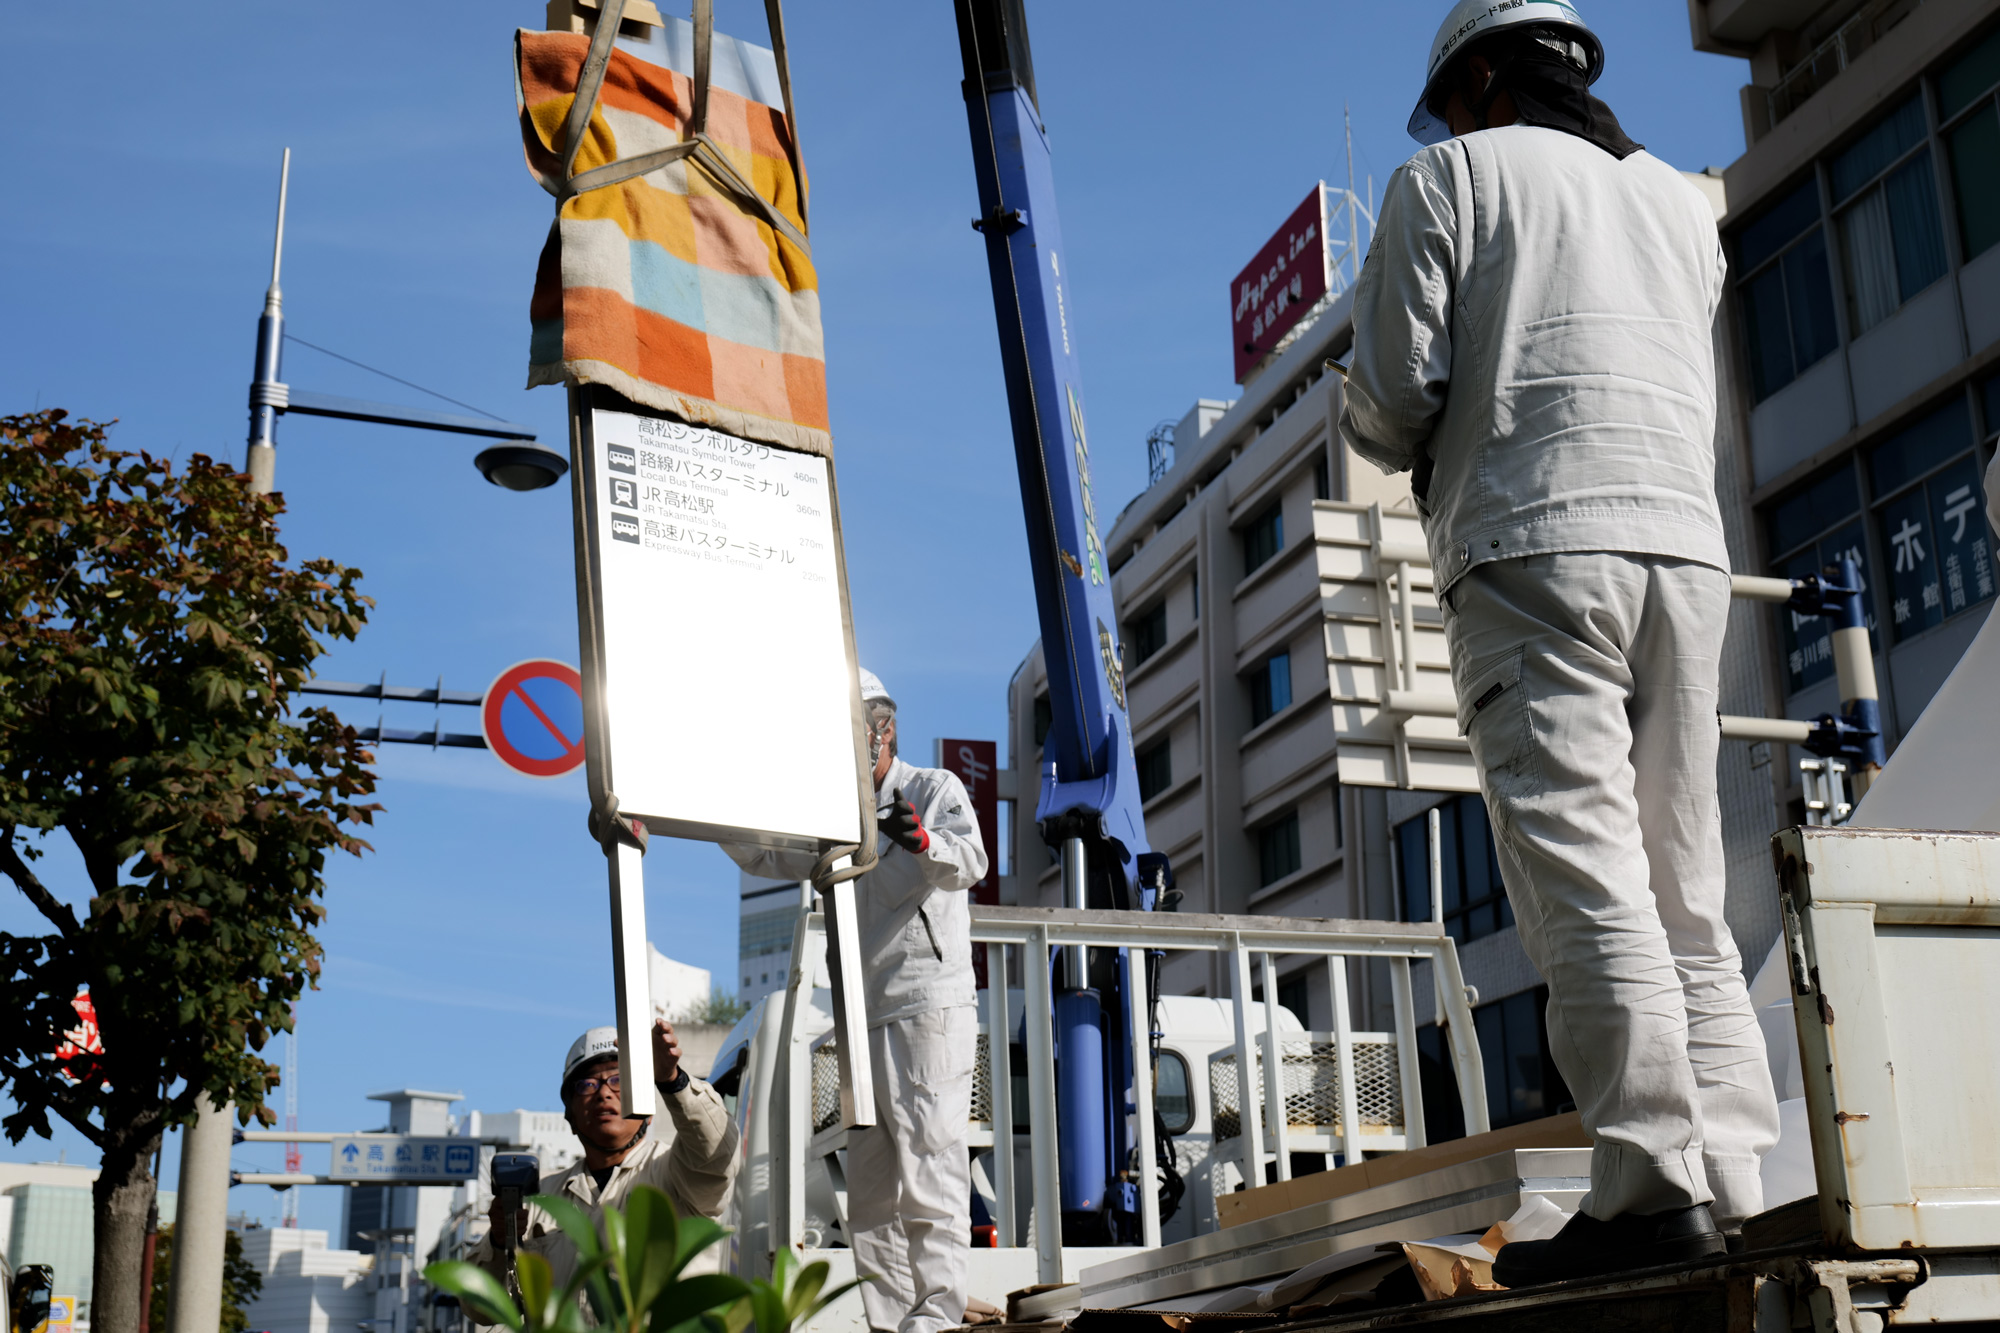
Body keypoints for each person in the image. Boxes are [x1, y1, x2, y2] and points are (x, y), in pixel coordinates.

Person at [1339, 0, 1780, 1287]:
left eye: (1452, 101)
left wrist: (1372, 420)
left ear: (1480, 76)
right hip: (1683, 556)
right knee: (1683, 885)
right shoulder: (1674, 204)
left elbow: (1390, 399)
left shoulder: (1448, 180)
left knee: (1587, 875)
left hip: (1532, 543)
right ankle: (1731, 1181)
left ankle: (1644, 1188)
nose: (1449, 123)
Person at [724, 669, 987, 1333]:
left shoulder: (932, 788)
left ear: (883, 728)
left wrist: (920, 839)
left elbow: (970, 860)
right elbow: (764, 853)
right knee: (869, 1187)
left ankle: (937, 1310)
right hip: (859, 1013)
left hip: (927, 1003)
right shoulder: (831, 814)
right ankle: (893, 1320)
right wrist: (701, 809)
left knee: (929, 1159)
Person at [473, 1019, 739, 1299]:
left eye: (619, 1080)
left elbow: (716, 1150)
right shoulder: (540, 1200)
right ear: (570, 1117)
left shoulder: (678, 1173)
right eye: (587, 1085)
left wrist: (672, 1080)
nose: (603, 1093)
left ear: (648, 1111)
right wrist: (499, 1242)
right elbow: (479, 1303)